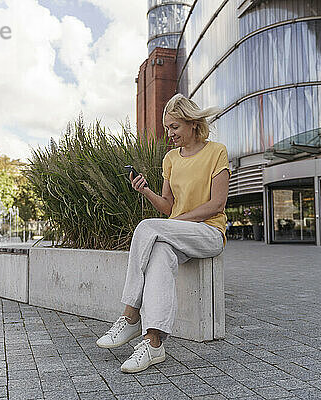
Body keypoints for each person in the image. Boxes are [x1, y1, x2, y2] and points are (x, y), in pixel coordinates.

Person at [95, 93, 230, 373]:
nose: (170, 133)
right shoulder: (170, 158)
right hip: (178, 233)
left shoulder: (216, 151)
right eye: (167, 127)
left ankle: (130, 314)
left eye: (175, 127)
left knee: (147, 227)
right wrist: (145, 190)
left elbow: (217, 204)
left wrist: (178, 222)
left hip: (209, 233)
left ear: (193, 124)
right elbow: (168, 208)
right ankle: (153, 342)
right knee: (159, 252)